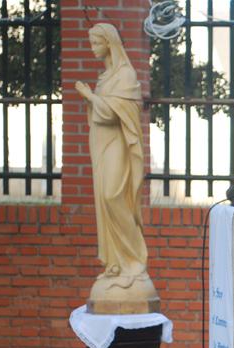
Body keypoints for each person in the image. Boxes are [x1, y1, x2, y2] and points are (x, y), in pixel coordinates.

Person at [75, 23, 159, 313]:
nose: (92, 48)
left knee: (114, 196)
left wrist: (89, 97)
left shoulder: (125, 74)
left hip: (118, 149)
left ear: (109, 43)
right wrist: (93, 99)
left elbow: (113, 114)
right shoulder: (106, 76)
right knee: (106, 201)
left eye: (95, 43)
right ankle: (117, 263)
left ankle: (135, 260)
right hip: (101, 146)